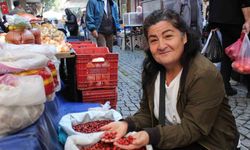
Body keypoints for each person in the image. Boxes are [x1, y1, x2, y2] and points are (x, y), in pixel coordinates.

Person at [100, 9, 239, 150]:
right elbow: (147, 113)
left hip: (208, 143)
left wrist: (150, 136)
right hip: (173, 136)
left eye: (168, 36)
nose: (161, 46)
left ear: (184, 37)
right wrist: (126, 124)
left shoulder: (203, 74)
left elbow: (193, 128)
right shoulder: (152, 70)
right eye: (153, 40)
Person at [208, 0, 250, 96]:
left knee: (227, 54)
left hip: (221, 19)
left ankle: (225, 86)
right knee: (246, 54)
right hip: (236, 18)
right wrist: (248, 20)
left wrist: (212, 21)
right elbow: (245, 2)